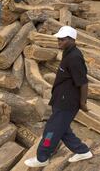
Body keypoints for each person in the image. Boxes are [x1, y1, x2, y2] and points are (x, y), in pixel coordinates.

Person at [24, 26, 93, 168]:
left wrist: (83, 103)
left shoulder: (75, 58)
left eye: (62, 39)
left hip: (67, 103)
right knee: (62, 129)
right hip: (60, 100)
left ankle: (42, 157)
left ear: (72, 40)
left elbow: (83, 83)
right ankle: (82, 151)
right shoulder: (68, 52)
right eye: (58, 39)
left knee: (51, 130)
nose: (59, 42)